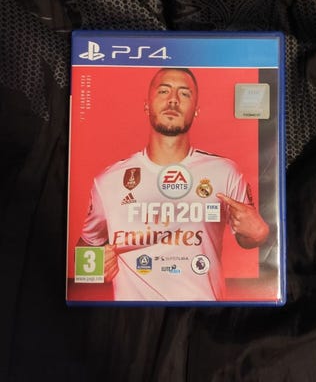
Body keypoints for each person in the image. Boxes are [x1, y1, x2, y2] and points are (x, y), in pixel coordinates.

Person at [78, 68, 269, 301]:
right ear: (146, 105)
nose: (173, 100)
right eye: (164, 91)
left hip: (202, 314)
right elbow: (86, 250)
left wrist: (259, 233)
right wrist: (95, 268)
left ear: (196, 110)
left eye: (184, 94)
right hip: (135, 316)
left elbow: (247, 238)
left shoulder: (225, 172)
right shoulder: (108, 181)